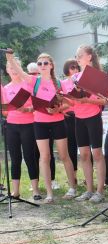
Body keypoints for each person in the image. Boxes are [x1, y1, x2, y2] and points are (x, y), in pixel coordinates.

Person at [6, 52, 76, 204]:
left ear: (51, 65)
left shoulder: (59, 83)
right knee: (44, 157)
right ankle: (49, 194)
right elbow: (20, 72)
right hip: (39, 122)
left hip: (58, 121)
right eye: (40, 63)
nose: (42, 66)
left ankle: (72, 188)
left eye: (45, 63)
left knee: (64, 155)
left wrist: (58, 109)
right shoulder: (34, 81)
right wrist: (10, 59)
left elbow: (71, 103)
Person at [3, 59, 41, 200]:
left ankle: (35, 191)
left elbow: (37, 105)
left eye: (15, 66)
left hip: (28, 125)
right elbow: (4, 112)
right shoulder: (6, 89)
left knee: (30, 156)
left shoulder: (28, 85)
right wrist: (7, 108)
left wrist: (27, 109)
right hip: (11, 126)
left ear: (19, 68)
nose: (13, 69)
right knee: (15, 158)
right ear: (7, 70)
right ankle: (15, 192)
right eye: (10, 67)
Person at [74, 45, 106, 203]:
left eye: (80, 55)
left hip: (93, 117)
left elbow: (106, 100)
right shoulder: (76, 77)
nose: (77, 58)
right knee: (84, 155)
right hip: (78, 118)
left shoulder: (97, 75)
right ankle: (89, 190)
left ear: (89, 57)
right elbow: (74, 100)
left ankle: (100, 191)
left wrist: (88, 100)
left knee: (97, 154)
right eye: (76, 55)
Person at [26, 62, 59, 190]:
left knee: (48, 152)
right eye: (31, 73)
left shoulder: (45, 83)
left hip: (45, 120)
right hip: (33, 122)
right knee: (35, 153)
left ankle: (52, 179)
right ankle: (37, 181)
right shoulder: (31, 83)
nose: (33, 75)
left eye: (35, 73)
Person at [61, 59, 80, 183]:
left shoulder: (81, 81)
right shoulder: (62, 83)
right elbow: (61, 100)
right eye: (72, 67)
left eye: (77, 67)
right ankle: (73, 175)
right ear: (67, 69)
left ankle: (90, 177)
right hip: (68, 117)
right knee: (71, 146)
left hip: (80, 115)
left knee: (85, 148)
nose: (75, 70)